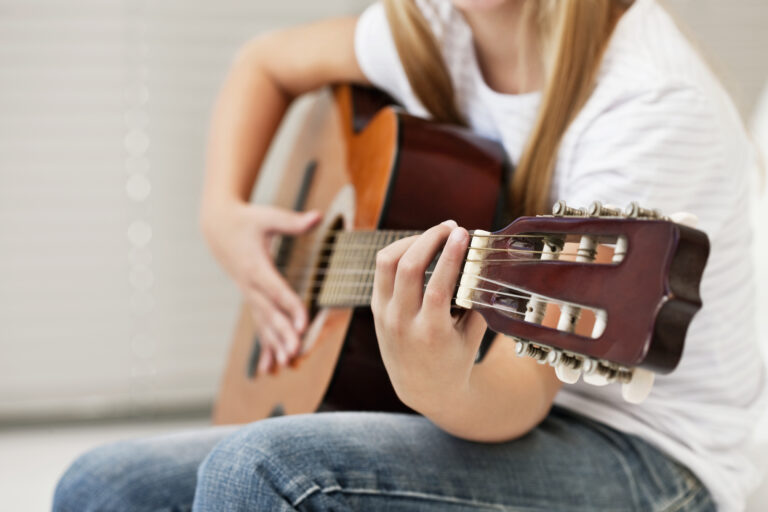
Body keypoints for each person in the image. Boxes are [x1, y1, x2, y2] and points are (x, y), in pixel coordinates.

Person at [53, 0, 765, 510]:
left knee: (262, 474)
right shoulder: (439, 26)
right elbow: (263, 63)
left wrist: (434, 383)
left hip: (651, 458)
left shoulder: (647, 102)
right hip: (496, 397)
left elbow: (521, 395)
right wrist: (223, 216)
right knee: (99, 487)